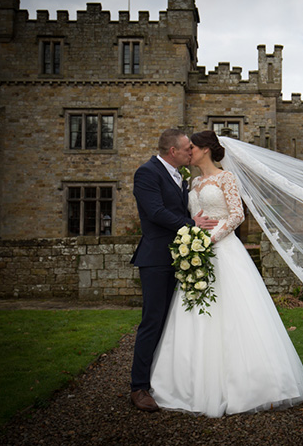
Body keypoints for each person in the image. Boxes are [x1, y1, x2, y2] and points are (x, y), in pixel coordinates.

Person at [150, 131, 303, 416]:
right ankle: (191, 384)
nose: (190, 152)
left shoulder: (227, 178)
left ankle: (249, 384)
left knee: (236, 315)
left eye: (193, 148)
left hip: (224, 251)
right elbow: (191, 217)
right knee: (196, 314)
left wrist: (210, 239)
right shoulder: (193, 182)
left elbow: (237, 215)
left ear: (206, 150)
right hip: (198, 256)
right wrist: (193, 241)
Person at [130, 128, 218, 412]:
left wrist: (191, 224)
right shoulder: (147, 173)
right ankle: (139, 387)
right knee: (152, 320)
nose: (190, 151)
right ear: (173, 152)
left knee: (172, 322)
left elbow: (178, 212)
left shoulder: (180, 176)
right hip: (156, 258)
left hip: (180, 257)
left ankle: (163, 379)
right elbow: (155, 212)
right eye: (186, 148)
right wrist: (192, 225)